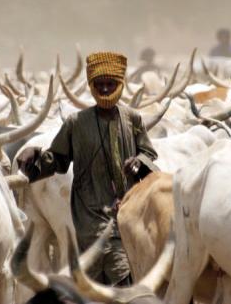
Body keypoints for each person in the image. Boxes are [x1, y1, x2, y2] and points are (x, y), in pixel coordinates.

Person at [16, 51, 158, 286]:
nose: (104, 89)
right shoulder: (76, 123)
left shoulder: (133, 119)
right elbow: (57, 160)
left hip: (125, 213)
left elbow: (149, 154)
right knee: (92, 285)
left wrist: (139, 163)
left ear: (120, 84)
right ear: (91, 86)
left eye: (110, 83)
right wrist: (35, 156)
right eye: (99, 84)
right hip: (87, 218)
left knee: (123, 278)